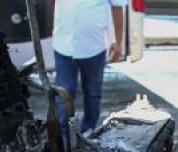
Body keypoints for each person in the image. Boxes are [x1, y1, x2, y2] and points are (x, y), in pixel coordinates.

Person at [51, 0, 126, 134]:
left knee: (92, 94)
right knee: (64, 94)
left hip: (94, 47)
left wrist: (118, 42)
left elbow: (117, 7)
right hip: (63, 45)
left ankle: (88, 132)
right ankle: (63, 137)